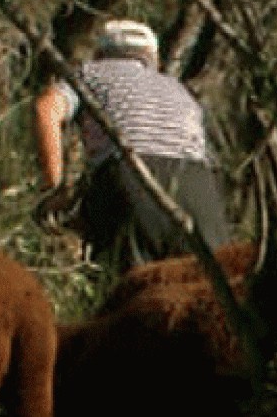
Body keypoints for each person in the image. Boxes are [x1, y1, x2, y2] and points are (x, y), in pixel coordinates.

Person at [34, 19, 231, 273]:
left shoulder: (89, 73)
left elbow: (46, 109)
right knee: (209, 291)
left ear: (102, 53)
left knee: (128, 294)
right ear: (152, 57)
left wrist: (54, 189)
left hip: (132, 176)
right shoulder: (180, 90)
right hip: (198, 185)